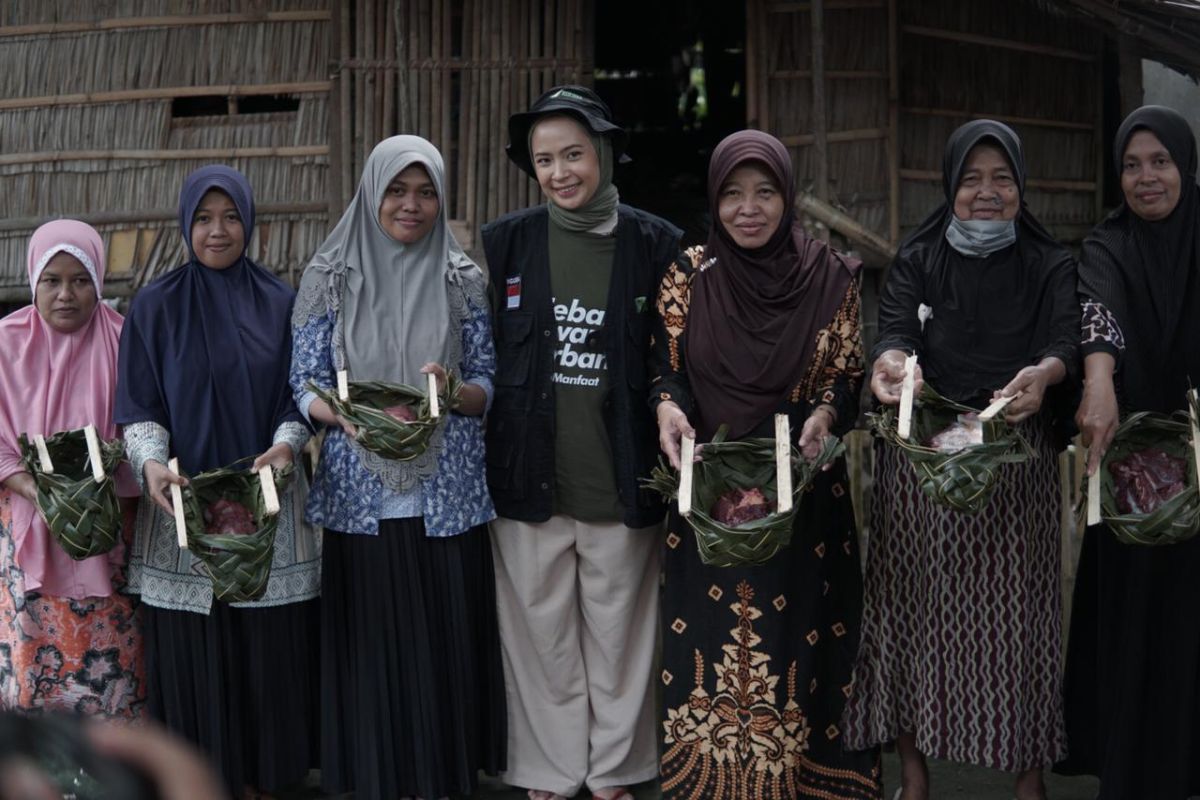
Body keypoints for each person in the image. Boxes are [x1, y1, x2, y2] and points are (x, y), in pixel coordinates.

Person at [840, 120, 1078, 800]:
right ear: (950, 185)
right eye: (971, 179)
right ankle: (914, 777)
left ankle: (1027, 781)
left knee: (1019, 621)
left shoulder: (1050, 263)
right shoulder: (918, 258)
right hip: (926, 456)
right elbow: (892, 335)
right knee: (913, 613)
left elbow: (1063, 336)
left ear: (1021, 187)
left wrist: (1049, 371)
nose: (986, 193)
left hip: (1013, 455)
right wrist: (891, 365)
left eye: (1001, 178)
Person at [652, 130, 882, 799]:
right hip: (710, 495)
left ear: (787, 196)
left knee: (797, 641)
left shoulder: (829, 275)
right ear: (714, 200)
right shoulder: (687, 274)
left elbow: (845, 375)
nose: (748, 209)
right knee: (709, 646)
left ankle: (804, 780)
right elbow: (663, 371)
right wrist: (668, 410)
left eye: (765, 192)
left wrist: (825, 418)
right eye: (732, 194)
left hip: (801, 495)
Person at [482, 85, 681, 800]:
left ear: (602, 154)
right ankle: (549, 770)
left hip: (619, 472)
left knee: (621, 636)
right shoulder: (507, 241)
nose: (561, 172)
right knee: (540, 637)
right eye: (545, 159)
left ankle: (616, 771)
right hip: (529, 470)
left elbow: (673, 356)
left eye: (573, 154)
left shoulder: (657, 243)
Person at [291, 134, 504, 800]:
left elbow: (488, 384)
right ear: (372, 192)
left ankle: (443, 779)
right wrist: (342, 415)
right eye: (397, 190)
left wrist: (450, 394)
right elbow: (303, 380)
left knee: (442, 647)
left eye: (426, 191)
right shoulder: (331, 275)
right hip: (361, 492)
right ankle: (374, 778)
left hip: (447, 495)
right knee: (374, 650)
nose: (411, 205)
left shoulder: (462, 276)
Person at [115, 166, 320, 798]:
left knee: (264, 655)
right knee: (194, 651)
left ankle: (265, 782)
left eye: (230, 216)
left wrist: (287, 446)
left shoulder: (282, 302)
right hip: (179, 508)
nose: (217, 230)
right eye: (203, 218)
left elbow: (299, 394)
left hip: (265, 506)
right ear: (185, 224)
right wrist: (151, 462)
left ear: (250, 221)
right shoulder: (154, 306)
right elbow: (138, 403)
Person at [1056, 105, 1200, 800]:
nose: (1147, 178)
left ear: (1185, 165)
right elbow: (1098, 313)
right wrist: (1101, 381)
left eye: (1161, 162)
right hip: (1136, 472)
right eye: (1133, 165)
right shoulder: (1108, 244)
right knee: (1139, 615)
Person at [0, 220, 143, 718]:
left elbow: (144, 432)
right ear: (33, 281)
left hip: (110, 534)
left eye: (81, 280)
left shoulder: (128, 342)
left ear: (100, 282)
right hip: (29, 528)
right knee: (32, 663)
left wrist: (94, 497)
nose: (66, 295)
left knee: (115, 665)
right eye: (52, 280)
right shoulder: (5, 345)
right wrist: (45, 495)